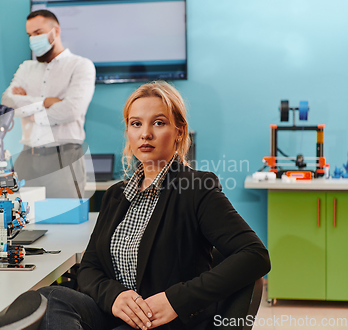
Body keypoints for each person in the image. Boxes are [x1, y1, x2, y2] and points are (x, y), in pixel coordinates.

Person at [31, 81, 271, 330]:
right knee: (52, 297)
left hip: (166, 322)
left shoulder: (197, 188)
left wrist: (175, 301)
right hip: (118, 316)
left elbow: (255, 255)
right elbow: (90, 267)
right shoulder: (116, 195)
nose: (145, 133)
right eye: (136, 124)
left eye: (158, 123)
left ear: (179, 131)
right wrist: (115, 296)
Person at [1, 10, 95, 198]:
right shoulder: (26, 67)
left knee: (66, 221)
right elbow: (8, 103)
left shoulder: (81, 65)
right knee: (21, 220)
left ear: (56, 31)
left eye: (38, 33)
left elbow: (70, 110)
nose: (33, 39)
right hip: (27, 157)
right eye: (29, 35)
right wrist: (45, 102)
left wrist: (29, 110)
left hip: (65, 157)